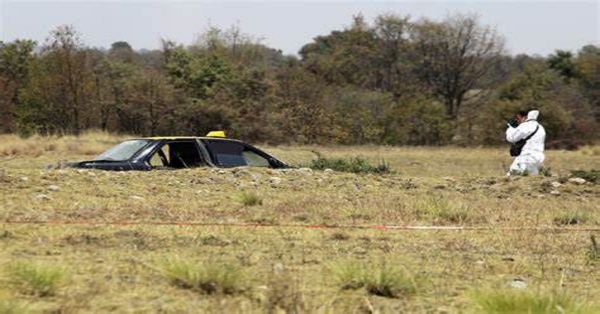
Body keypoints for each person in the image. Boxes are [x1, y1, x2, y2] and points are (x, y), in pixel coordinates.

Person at [506, 109, 546, 175]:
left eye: (518, 118)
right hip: (539, 157)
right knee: (531, 179)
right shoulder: (541, 127)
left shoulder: (526, 125)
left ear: (525, 117)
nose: (518, 121)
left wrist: (510, 127)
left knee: (512, 176)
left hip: (527, 157)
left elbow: (511, 138)